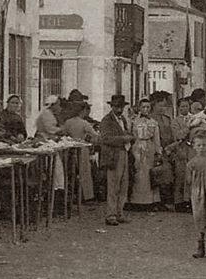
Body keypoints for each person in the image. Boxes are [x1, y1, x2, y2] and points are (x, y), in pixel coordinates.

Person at [100, 95, 135, 226]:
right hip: (113, 155)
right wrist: (124, 138)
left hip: (124, 153)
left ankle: (119, 212)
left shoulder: (123, 120)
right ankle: (111, 215)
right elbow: (105, 139)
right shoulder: (106, 120)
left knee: (123, 185)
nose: (119, 109)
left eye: (121, 107)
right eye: (116, 106)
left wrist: (130, 137)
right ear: (112, 106)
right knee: (113, 186)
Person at [128, 99, 161, 209]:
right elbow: (130, 135)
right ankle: (136, 201)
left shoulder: (153, 122)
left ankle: (149, 201)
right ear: (139, 108)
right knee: (138, 173)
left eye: (148, 107)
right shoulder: (134, 121)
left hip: (149, 147)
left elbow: (156, 139)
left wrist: (158, 152)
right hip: (137, 147)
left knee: (149, 173)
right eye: (143, 107)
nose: (146, 109)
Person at [61, 101, 96, 201]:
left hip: (70, 149)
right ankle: (86, 196)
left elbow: (63, 134)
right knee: (85, 173)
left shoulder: (68, 122)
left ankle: (70, 195)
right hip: (82, 149)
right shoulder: (84, 123)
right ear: (83, 111)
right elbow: (95, 135)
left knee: (70, 173)